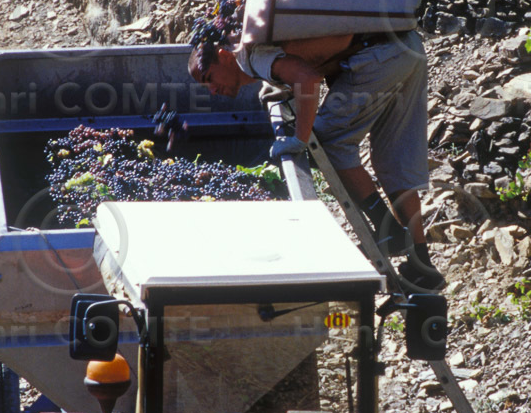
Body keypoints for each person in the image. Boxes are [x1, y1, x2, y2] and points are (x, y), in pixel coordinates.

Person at [188, 26, 445, 293]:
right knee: (395, 157)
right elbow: (298, 62)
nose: (213, 90)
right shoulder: (252, 52)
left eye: (210, 78)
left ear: (224, 55)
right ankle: (423, 267)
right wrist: (283, 85)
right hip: (405, 46)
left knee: (328, 141)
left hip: (378, 57)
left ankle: (388, 230)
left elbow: (307, 79)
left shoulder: (250, 56)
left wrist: (300, 139)